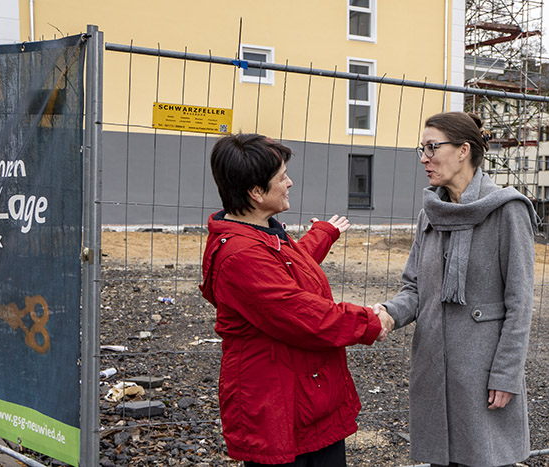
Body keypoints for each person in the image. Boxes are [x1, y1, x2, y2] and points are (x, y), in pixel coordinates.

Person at [200, 133, 394, 466]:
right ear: (256, 192)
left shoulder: (261, 232)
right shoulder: (240, 256)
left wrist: (322, 235)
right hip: (276, 406)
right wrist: (370, 322)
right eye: (281, 178)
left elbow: (285, 270)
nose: (289, 183)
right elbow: (301, 314)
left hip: (302, 396)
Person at [374, 111, 538, 467]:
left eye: (432, 147)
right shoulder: (431, 212)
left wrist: (506, 374)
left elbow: (520, 303)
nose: (423, 158)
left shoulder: (507, 211)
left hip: (483, 375)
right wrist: (388, 312)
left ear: (464, 150)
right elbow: (414, 288)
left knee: (485, 460)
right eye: (421, 148)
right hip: (434, 367)